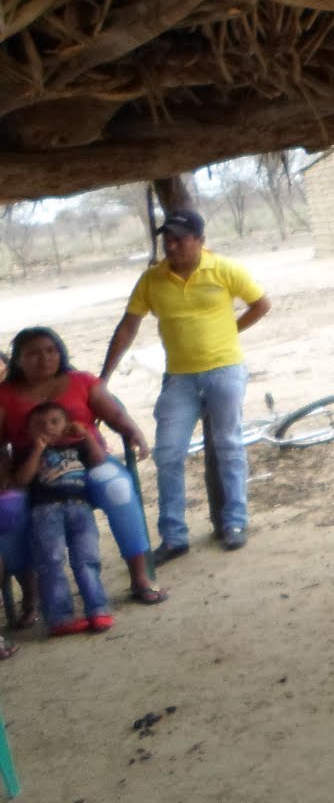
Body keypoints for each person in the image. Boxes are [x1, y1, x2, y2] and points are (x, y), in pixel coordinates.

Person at [100, 208, 271, 562]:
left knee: (227, 446)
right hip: (179, 378)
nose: (172, 245)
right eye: (168, 239)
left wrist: (230, 332)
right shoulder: (152, 279)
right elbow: (129, 325)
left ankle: (235, 522)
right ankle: (174, 536)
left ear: (201, 241)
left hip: (224, 371)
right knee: (168, 453)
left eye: (180, 238)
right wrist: (104, 377)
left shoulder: (224, 269)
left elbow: (261, 304)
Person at [0, 327, 166, 611]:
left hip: (87, 460)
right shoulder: (4, 394)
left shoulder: (82, 381)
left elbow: (115, 414)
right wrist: (4, 476)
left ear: (61, 352)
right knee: (8, 508)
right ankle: (31, 594)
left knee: (118, 488)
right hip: (31, 469)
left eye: (51, 350)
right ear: (18, 360)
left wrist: (133, 433)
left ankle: (140, 577)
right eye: (33, 353)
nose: (44, 358)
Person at [12, 403, 113, 636]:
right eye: (38, 424)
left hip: (80, 507)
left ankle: (98, 609)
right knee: (52, 561)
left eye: (55, 422)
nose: (47, 427)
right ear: (28, 431)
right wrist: (37, 451)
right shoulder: (28, 452)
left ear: (66, 425)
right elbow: (21, 481)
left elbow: (99, 459)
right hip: (45, 511)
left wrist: (86, 434)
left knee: (87, 558)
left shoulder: (77, 447)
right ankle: (59, 618)